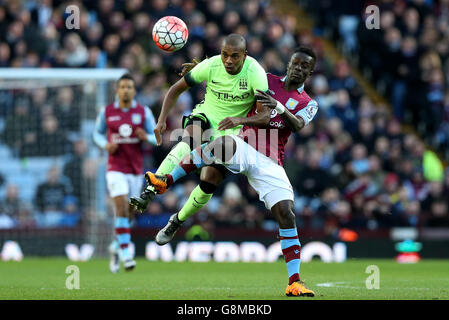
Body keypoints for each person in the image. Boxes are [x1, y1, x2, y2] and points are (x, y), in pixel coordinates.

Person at [144, 47, 319, 297]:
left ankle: (295, 282)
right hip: (244, 143)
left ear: (310, 72)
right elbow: (232, 77)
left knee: (286, 213)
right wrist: (204, 71)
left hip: (270, 160)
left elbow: (299, 125)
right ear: (289, 63)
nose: (298, 68)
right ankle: (166, 181)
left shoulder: (308, 103)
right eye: (295, 63)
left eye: (304, 66)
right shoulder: (265, 79)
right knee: (219, 152)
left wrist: (279, 108)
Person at [129, 34, 270, 221]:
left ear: (245, 55)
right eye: (224, 54)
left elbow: (265, 116)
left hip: (230, 133)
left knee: (208, 182)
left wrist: (238, 121)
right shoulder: (211, 65)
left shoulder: (256, 74)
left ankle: (177, 221)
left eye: (234, 56)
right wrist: (161, 120)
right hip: (205, 115)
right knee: (189, 139)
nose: (228, 60)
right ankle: (149, 191)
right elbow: (175, 89)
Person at [93, 73, 157, 273]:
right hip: (115, 168)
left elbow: (157, 138)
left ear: (134, 90)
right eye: (123, 87)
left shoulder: (143, 112)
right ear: (117, 90)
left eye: (130, 87)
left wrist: (145, 136)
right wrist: (106, 145)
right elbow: (97, 133)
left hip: (135, 171)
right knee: (120, 207)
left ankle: (116, 246)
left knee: (129, 214)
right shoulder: (107, 112)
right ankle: (126, 253)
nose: (126, 90)